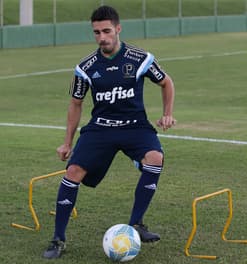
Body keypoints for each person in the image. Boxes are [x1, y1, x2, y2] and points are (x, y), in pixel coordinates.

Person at [43, 5, 176, 259]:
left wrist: (167, 113)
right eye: (96, 32)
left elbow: (166, 82)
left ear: (118, 29)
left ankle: (136, 224)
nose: (102, 37)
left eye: (106, 31)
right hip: (100, 129)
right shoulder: (85, 67)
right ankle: (58, 239)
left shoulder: (140, 58)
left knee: (155, 158)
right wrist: (66, 142)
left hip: (135, 126)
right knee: (73, 172)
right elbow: (76, 103)